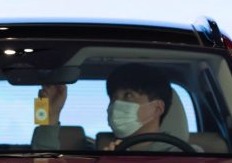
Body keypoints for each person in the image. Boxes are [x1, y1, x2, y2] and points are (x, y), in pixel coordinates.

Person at [32, 63, 183, 152]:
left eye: (128, 96)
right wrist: (49, 116)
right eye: (113, 98)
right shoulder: (99, 156)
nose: (116, 104)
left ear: (157, 109)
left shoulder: (189, 156)